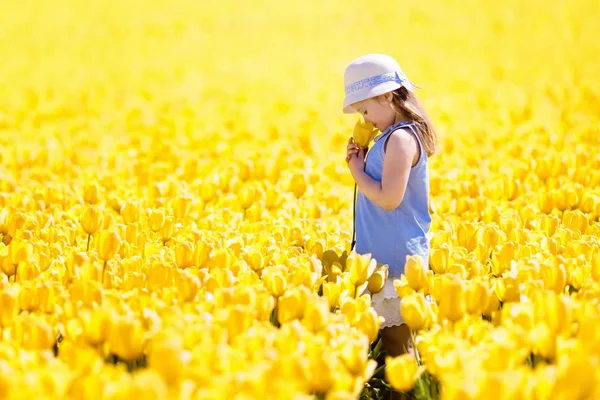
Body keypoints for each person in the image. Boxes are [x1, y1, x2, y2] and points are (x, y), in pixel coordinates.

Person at [343, 54, 437, 359]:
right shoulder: (388, 138)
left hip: (398, 260)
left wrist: (357, 171)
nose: (364, 118)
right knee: (389, 347)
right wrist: (363, 158)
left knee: (399, 347)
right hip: (382, 254)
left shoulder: (400, 140)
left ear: (386, 95)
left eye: (366, 109)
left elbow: (389, 198)